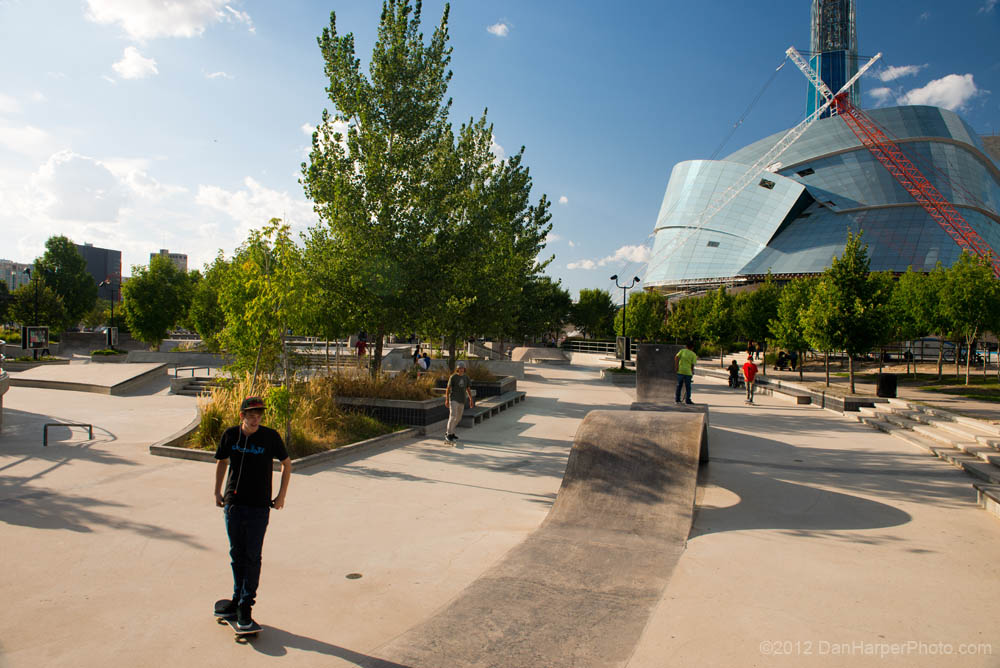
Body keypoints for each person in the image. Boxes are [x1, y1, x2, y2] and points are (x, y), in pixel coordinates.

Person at [213, 396, 292, 631]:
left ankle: (246, 605)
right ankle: (237, 598)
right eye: (251, 415)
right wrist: (217, 491)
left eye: (259, 415)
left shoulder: (270, 436)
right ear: (242, 416)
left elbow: (287, 464)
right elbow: (221, 462)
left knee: (252, 556)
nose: (255, 418)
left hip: (258, 507)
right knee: (236, 553)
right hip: (234, 504)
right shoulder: (231, 435)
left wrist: (281, 495)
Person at [444, 362, 475, 443]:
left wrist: (471, 399)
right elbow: (448, 389)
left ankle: (451, 432)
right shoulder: (453, 377)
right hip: (454, 399)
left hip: (462, 400)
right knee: (453, 416)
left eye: (462, 368)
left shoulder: (466, 377)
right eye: (460, 368)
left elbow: (468, 389)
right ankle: (448, 434)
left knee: (458, 418)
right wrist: (447, 399)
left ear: (464, 369)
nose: (461, 370)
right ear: (457, 369)